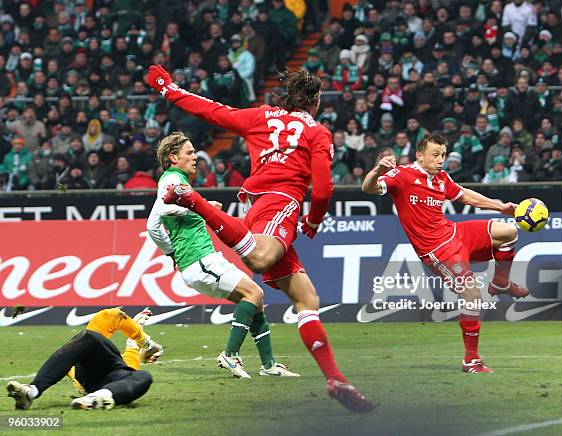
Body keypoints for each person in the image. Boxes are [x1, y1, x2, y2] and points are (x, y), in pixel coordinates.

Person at [147, 65, 375, 413]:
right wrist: (313, 219)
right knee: (259, 259)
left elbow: (212, 109)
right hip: (281, 203)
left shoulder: (262, 117)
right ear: (314, 102)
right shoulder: (316, 132)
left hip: (254, 207)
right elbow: (325, 188)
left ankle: (335, 379)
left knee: (307, 300)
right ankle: (192, 199)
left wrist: (168, 88)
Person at [362, 133, 529, 373]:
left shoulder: (441, 177)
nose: (441, 160)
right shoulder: (402, 176)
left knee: (508, 232)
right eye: (435, 155)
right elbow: (368, 188)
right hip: (437, 250)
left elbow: (467, 196)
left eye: (443, 155)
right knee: (472, 294)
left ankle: (501, 281)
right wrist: (378, 169)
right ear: (420, 155)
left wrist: (501, 207)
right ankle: (471, 359)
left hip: (454, 233)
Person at [146, 132, 297, 379]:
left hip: (197, 262)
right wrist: (198, 208)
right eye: (189, 152)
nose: (195, 157)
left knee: (254, 301)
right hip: (200, 259)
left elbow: (153, 224)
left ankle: (269, 365)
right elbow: (163, 210)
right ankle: (230, 354)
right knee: (255, 293)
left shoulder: (174, 180)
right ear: (173, 157)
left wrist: (172, 251)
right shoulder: (172, 179)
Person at [7, 308, 162, 410]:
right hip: (92, 379)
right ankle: (31, 391)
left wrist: (135, 343)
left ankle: (100, 398)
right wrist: (140, 338)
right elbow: (112, 317)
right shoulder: (84, 346)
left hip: (115, 378)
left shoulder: (85, 351)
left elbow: (131, 371)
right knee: (89, 336)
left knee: (144, 376)